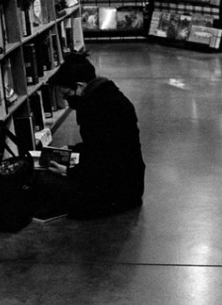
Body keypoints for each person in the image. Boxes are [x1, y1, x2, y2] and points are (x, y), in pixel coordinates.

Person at [35, 51, 145, 220]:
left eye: (67, 95)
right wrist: (73, 150)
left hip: (119, 193)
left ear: (79, 86)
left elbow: (104, 162)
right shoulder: (108, 95)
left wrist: (68, 172)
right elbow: (104, 147)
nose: (66, 101)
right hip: (131, 185)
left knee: (43, 181)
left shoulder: (94, 110)